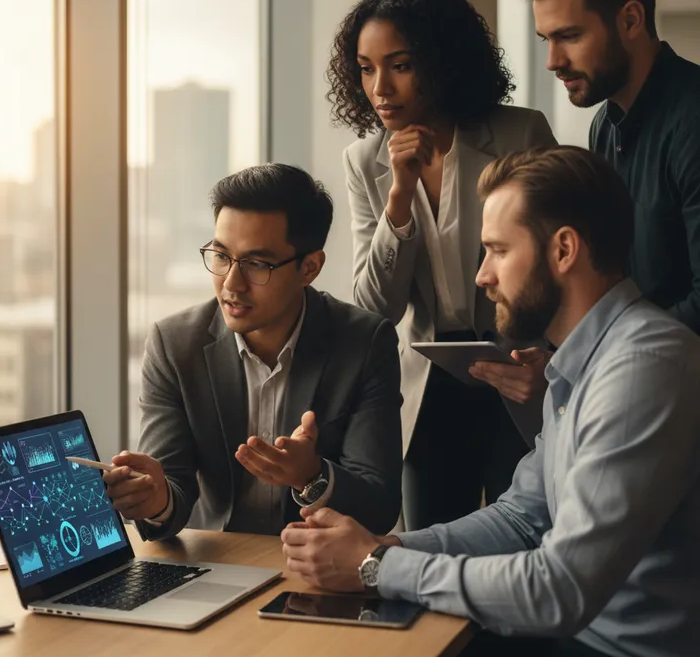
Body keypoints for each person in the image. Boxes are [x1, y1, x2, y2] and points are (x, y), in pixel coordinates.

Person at [281, 146, 700, 656]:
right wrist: (386, 547)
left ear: (564, 250)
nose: (482, 275)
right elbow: (522, 518)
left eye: (498, 250)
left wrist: (378, 568)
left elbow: (561, 589)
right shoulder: (581, 360)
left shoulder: (642, 367)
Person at [332, 0, 557, 529]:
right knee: (431, 547)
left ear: (442, 60)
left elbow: (558, 267)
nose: (380, 87)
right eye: (365, 68)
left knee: (526, 540)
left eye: (400, 64)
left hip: (519, 373)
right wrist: (400, 198)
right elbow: (373, 308)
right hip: (429, 388)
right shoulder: (365, 162)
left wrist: (551, 362)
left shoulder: (520, 133)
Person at [103, 164, 403, 539]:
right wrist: (156, 500)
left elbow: (380, 506)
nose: (231, 283)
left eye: (257, 264)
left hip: (312, 566)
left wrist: (312, 476)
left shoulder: (363, 342)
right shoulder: (175, 344)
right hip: (213, 562)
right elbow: (172, 489)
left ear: (309, 268)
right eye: (221, 256)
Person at [515, 0, 700, 335]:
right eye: (545, 39)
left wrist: (600, 358)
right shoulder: (604, 125)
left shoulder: (693, 119)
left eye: (569, 36)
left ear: (631, 20)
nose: (552, 61)